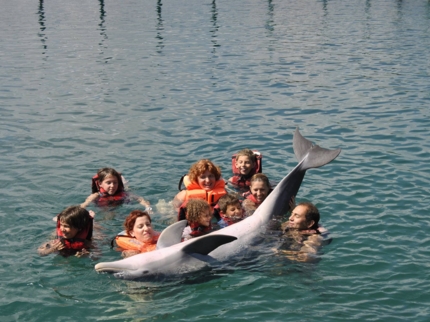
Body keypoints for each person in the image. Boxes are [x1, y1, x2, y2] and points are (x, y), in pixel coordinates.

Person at [81, 167, 152, 211]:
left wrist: (147, 207)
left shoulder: (124, 193)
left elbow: (139, 199)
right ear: (100, 183)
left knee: (127, 189)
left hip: (117, 203)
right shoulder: (96, 195)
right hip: (108, 209)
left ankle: (123, 182)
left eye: (115, 182)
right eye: (108, 183)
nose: (112, 186)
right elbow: (84, 204)